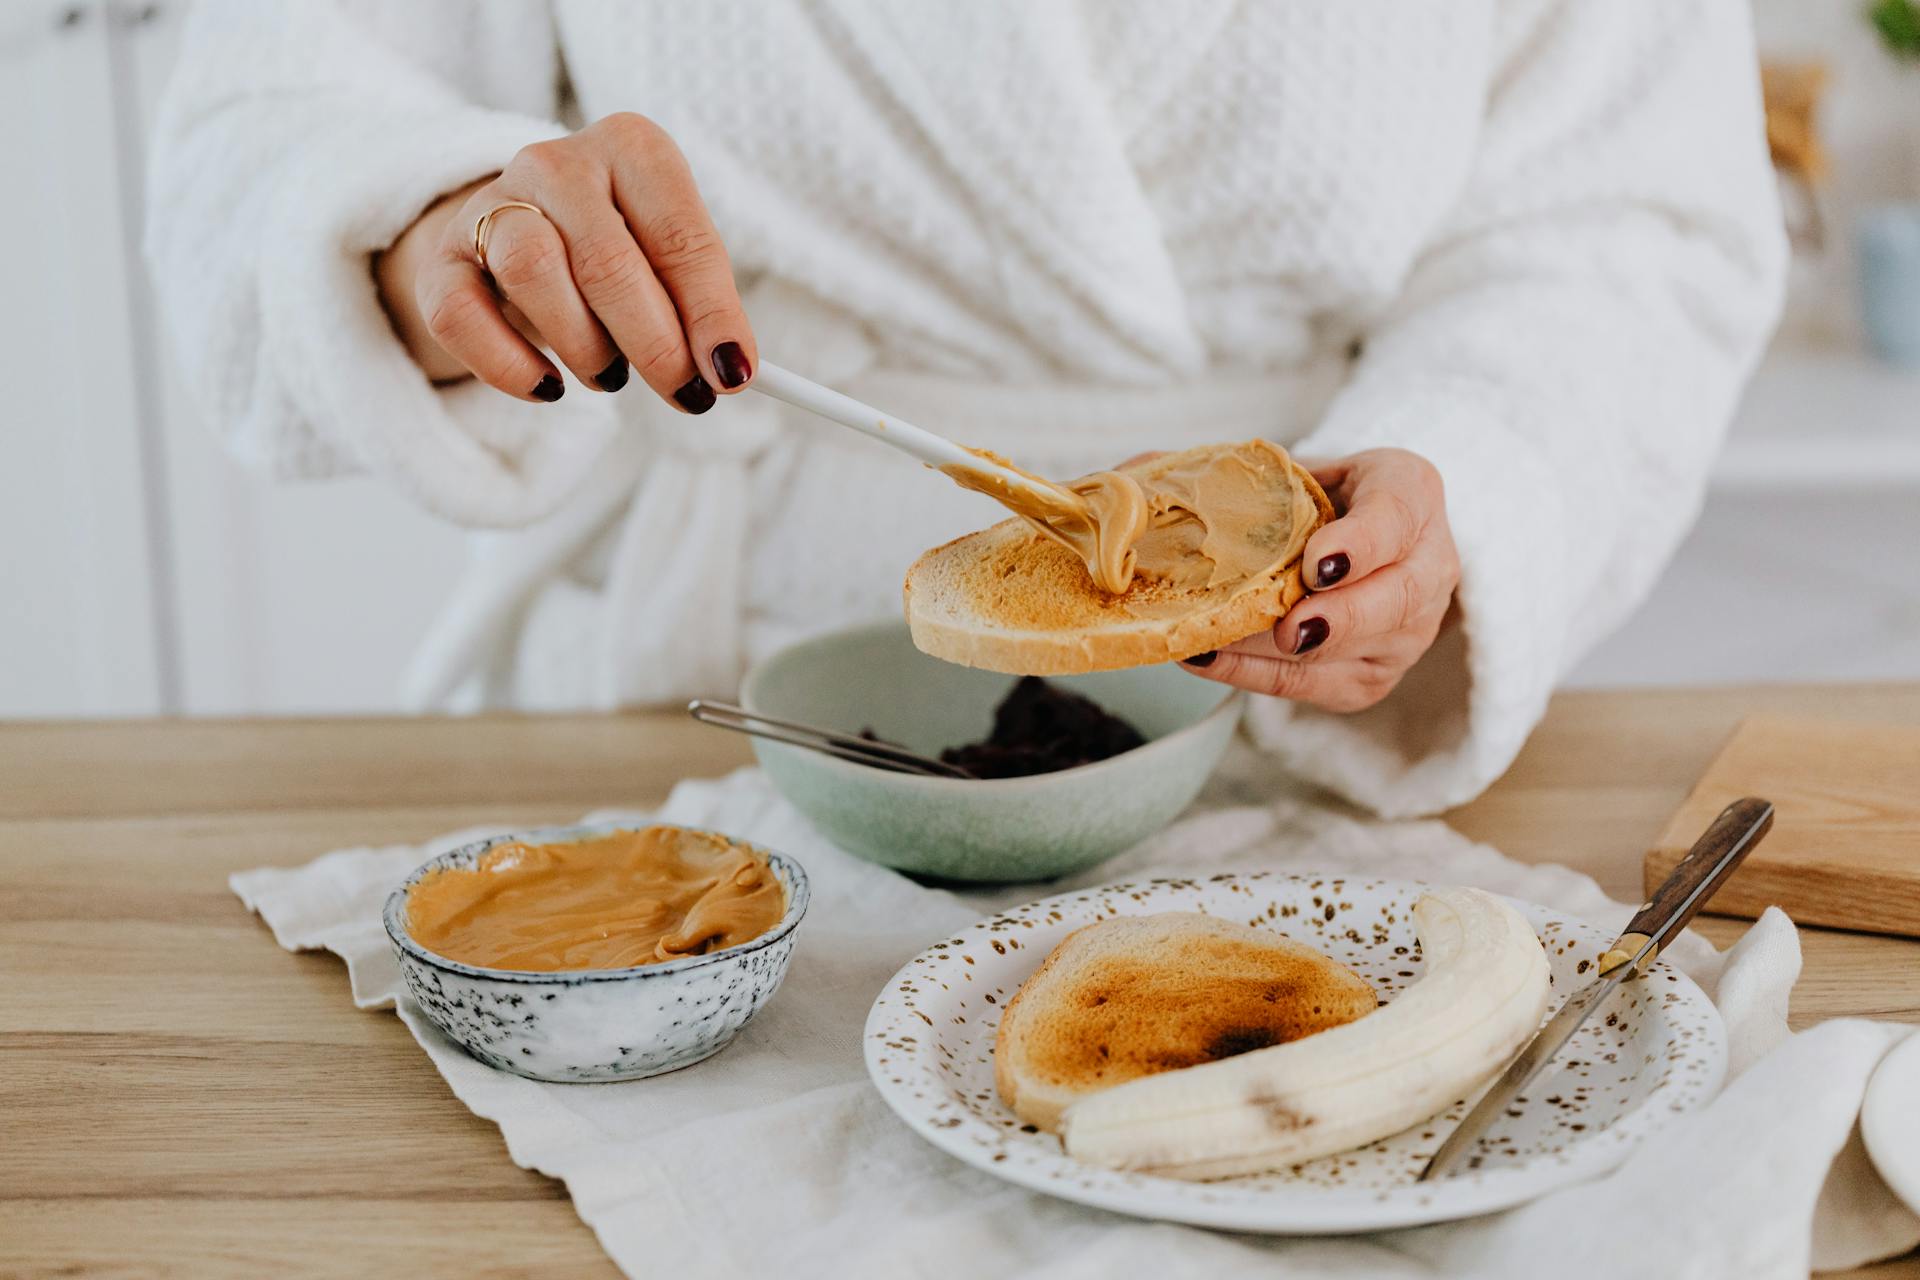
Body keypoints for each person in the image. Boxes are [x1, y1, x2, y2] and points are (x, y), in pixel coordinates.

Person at [147, 1, 1785, 818]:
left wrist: (1463, 485)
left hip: (1295, 734)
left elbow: (1624, 221)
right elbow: (269, 99)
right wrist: (431, 226)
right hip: (714, 707)